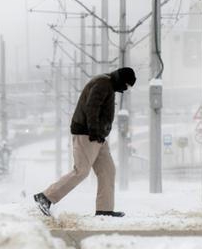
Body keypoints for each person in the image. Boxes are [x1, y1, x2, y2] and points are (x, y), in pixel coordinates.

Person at [34, 67, 137, 217]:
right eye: (127, 85)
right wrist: (94, 131)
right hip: (87, 134)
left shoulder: (108, 84)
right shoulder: (103, 83)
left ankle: (104, 210)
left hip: (98, 136)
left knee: (107, 171)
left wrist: (99, 133)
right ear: (122, 80)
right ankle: (46, 197)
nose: (126, 89)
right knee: (81, 171)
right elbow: (92, 107)